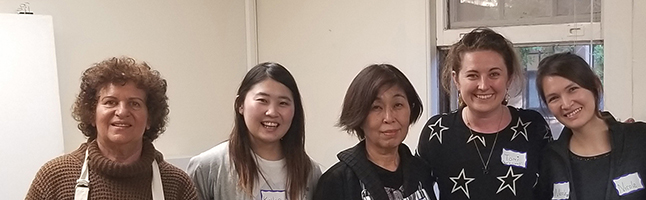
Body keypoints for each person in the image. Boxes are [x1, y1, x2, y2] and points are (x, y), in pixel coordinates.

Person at [26, 56, 198, 199]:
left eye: (134, 103)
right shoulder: (54, 177)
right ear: (92, 114)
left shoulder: (176, 185)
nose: (122, 112)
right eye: (110, 102)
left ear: (150, 118)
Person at [417, 27, 551, 199]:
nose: (483, 85)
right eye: (472, 75)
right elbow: (416, 190)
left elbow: (552, 190)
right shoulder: (437, 132)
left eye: (494, 74)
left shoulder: (534, 127)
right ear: (456, 80)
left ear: (508, 78)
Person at [534, 52, 646, 200]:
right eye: (554, 98)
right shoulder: (550, 159)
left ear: (594, 86)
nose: (566, 104)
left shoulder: (643, 140)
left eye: (573, 89)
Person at [187, 62, 322, 200]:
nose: (272, 112)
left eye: (283, 103)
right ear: (240, 105)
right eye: (262, 100)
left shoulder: (310, 172)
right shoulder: (208, 167)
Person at [313, 64, 436, 200]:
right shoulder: (337, 181)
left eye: (398, 105)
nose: (389, 118)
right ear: (359, 115)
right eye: (376, 107)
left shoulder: (421, 171)